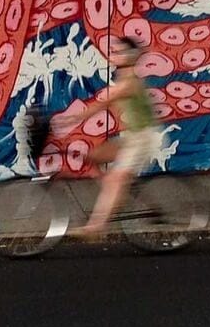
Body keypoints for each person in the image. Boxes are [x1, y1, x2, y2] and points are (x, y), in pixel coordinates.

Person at [54, 36, 163, 238]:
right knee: (92, 156)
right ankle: (133, 199)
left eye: (120, 52)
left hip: (143, 139)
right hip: (132, 137)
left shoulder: (129, 83)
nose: (114, 54)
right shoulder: (124, 80)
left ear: (131, 56)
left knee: (114, 179)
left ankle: (95, 227)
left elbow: (101, 104)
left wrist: (69, 120)